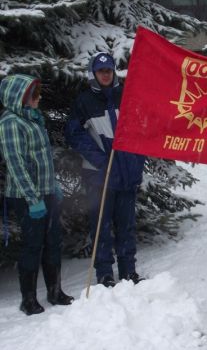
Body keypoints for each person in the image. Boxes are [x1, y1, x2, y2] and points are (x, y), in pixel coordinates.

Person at [65, 52, 146, 288]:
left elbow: (141, 129)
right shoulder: (84, 101)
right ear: (94, 74)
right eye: (101, 71)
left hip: (126, 173)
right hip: (100, 175)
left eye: (109, 70)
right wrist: (99, 158)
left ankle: (128, 270)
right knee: (101, 226)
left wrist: (136, 162)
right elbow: (74, 134)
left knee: (126, 225)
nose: (106, 75)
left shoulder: (127, 97)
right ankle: (104, 273)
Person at [0, 74, 74, 315]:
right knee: (33, 245)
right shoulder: (11, 123)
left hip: (46, 192)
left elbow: (43, 160)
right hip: (26, 197)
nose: (38, 97)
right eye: (34, 94)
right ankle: (28, 300)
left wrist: (53, 185)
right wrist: (33, 199)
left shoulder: (33, 119)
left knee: (53, 242)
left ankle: (55, 291)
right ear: (19, 98)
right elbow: (16, 164)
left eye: (38, 93)